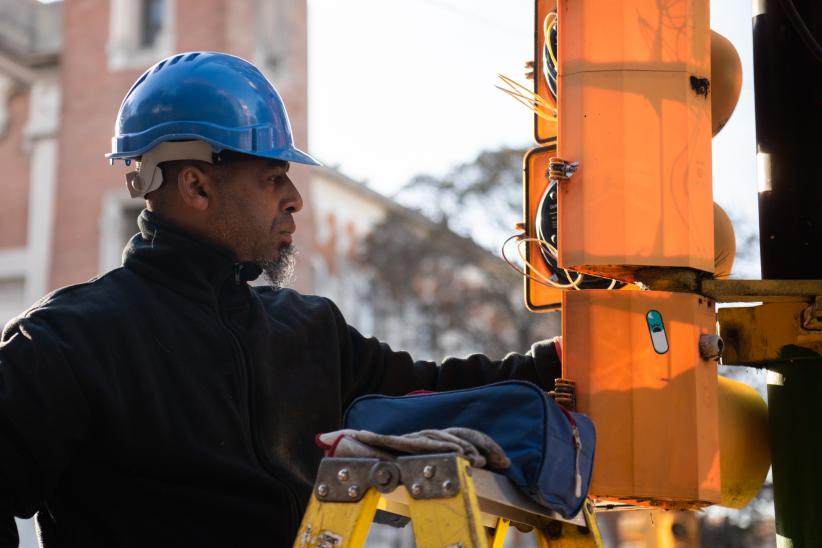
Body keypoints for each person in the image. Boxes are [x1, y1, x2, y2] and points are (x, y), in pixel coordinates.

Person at [0, 52, 561, 547]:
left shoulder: (307, 329)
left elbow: (436, 390)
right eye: (272, 178)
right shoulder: (66, 342)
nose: (295, 199)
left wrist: (561, 361)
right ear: (196, 186)